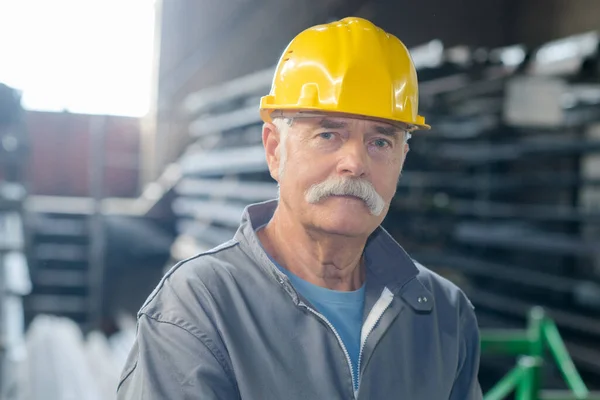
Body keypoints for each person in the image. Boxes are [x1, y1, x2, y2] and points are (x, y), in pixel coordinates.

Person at [117, 17, 483, 400]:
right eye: (328, 134)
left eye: (380, 142)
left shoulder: (443, 314)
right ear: (275, 149)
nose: (354, 162)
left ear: (402, 159)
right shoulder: (199, 308)